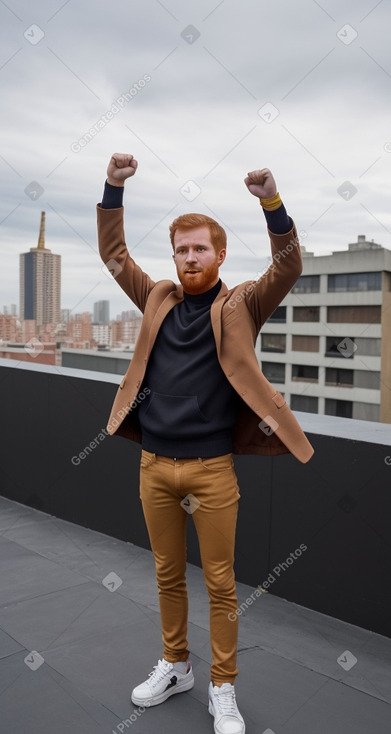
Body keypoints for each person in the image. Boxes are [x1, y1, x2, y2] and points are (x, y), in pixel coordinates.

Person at [97, 153, 314, 734]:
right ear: (174, 257)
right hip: (153, 468)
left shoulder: (240, 305)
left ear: (219, 255)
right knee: (168, 575)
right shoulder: (158, 299)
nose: (189, 257)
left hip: (212, 471)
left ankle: (223, 688)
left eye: (200, 249)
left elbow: (288, 267)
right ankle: (176, 666)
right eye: (181, 249)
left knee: (221, 584)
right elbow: (116, 256)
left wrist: (272, 202)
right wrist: (113, 187)